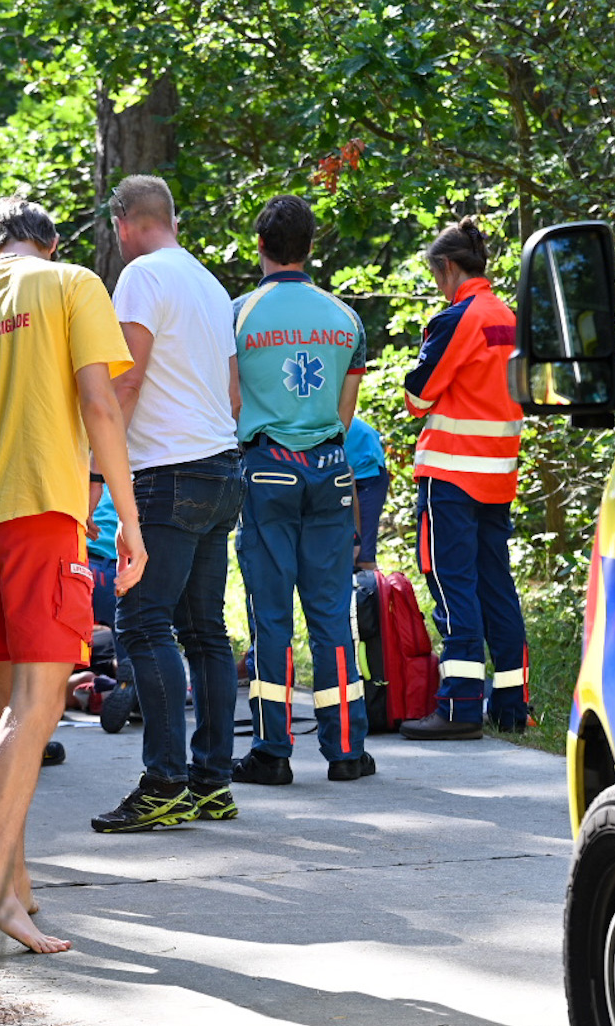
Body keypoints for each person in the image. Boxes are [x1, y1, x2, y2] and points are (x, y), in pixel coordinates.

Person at [0, 196, 144, 953]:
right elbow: (100, 405)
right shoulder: (73, 283)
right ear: (46, 243)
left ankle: (12, 883)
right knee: (38, 707)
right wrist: (128, 519)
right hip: (45, 513)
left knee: (6, 706)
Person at [92, 175, 244, 834]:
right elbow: (234, 394)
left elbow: (124, 380)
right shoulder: (210, 285)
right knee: (205, 630)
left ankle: (163, 784)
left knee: (143, 623)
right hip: (220, 466)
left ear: (125, 222)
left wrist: (98, 467)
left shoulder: (143, 277)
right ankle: (212, 781)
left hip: (167, 473)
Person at [228, 194, 373, 786]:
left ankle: (272, 748)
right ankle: (347, 751)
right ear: (311, 247)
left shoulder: (238, 313)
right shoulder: (346, 318)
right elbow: (346, 411)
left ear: (259, 246)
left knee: (270, 615)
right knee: (332, 611)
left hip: (266, 470)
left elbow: (232, 401)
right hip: (331, 471)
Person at [399, 217, 529, 739]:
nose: (436, 285)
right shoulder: (510, 319)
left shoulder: (458, 319)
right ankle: (511, 705)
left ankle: (458, 707)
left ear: (448, 268)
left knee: (454, 588)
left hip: (451, 475)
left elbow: (418, 396)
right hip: (498, 476)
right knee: (497, 586)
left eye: (436, 275)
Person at [347, 416, 389, 571]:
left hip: (369, 473)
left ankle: (371, 591)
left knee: (363, 556)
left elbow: (351, 487)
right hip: (344, 469)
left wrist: (357, 540)